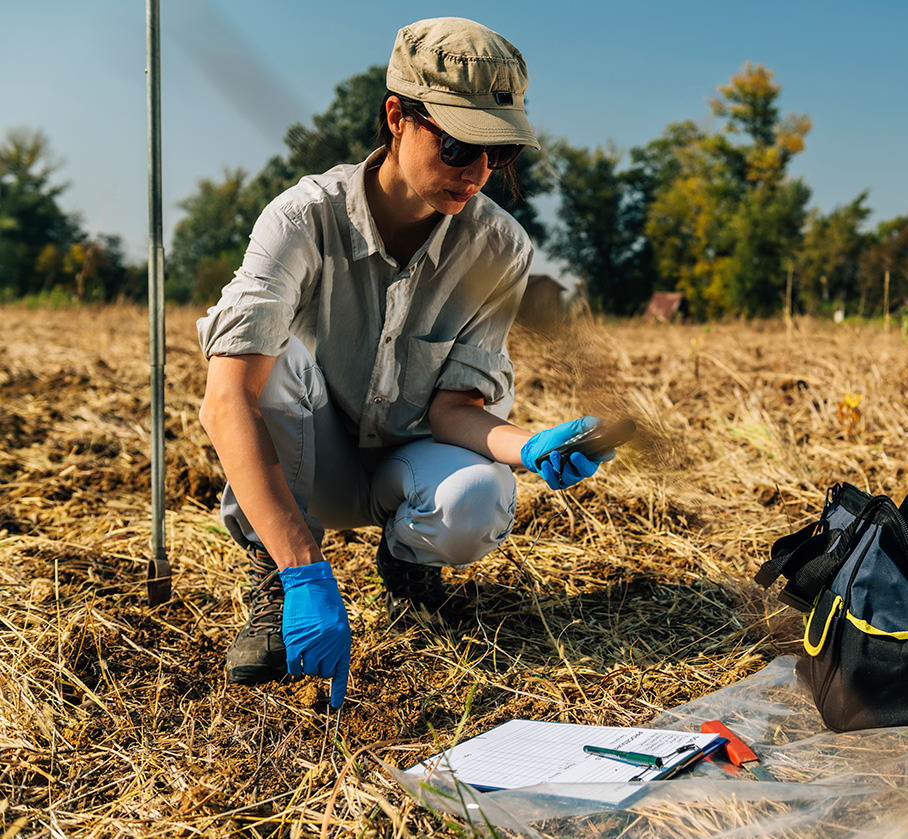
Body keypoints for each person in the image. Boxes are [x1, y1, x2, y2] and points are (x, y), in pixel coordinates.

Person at [196, 17, 614, 710]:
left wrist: (528, 447)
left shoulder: (499, 249)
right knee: (276, 362)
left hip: (404, 461)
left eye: (498, 150)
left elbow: (454, 409)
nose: (477, 172)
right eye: (457, 144)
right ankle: (276, 579)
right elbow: (226, 399)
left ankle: (410, 563)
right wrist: (304, 567)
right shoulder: (302, 220)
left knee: (481, 495)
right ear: (397, 116)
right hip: (310, 460)